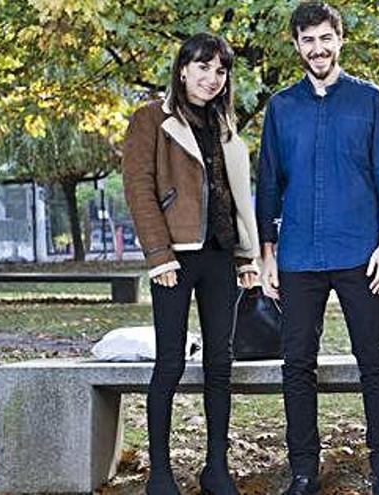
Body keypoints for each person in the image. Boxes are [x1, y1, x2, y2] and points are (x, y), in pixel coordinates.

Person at [255, 2, 379, 494]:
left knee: (374, 360)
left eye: (325, 38)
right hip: (298, 255)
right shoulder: (281, 107)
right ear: (297, 45)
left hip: (362, 253)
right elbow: (269, 185)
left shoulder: (371, 100)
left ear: (339, 40)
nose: (317, 48)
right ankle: (303, 470)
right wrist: (268, 253)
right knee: (296, 362)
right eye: (308, 40)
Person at [122, 33, 260, 495]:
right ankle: (160, 474)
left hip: (220, 256)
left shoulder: (225, 125)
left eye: (220, 71)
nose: (211, 78)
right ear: (183, 69)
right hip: (175, 259)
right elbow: (139, 190)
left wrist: (246, 256)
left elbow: (234, 196)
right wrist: (158, 256)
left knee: (220, 363)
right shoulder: (150, 119)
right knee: (170, 363)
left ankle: (215, 469)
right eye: (203, 68)